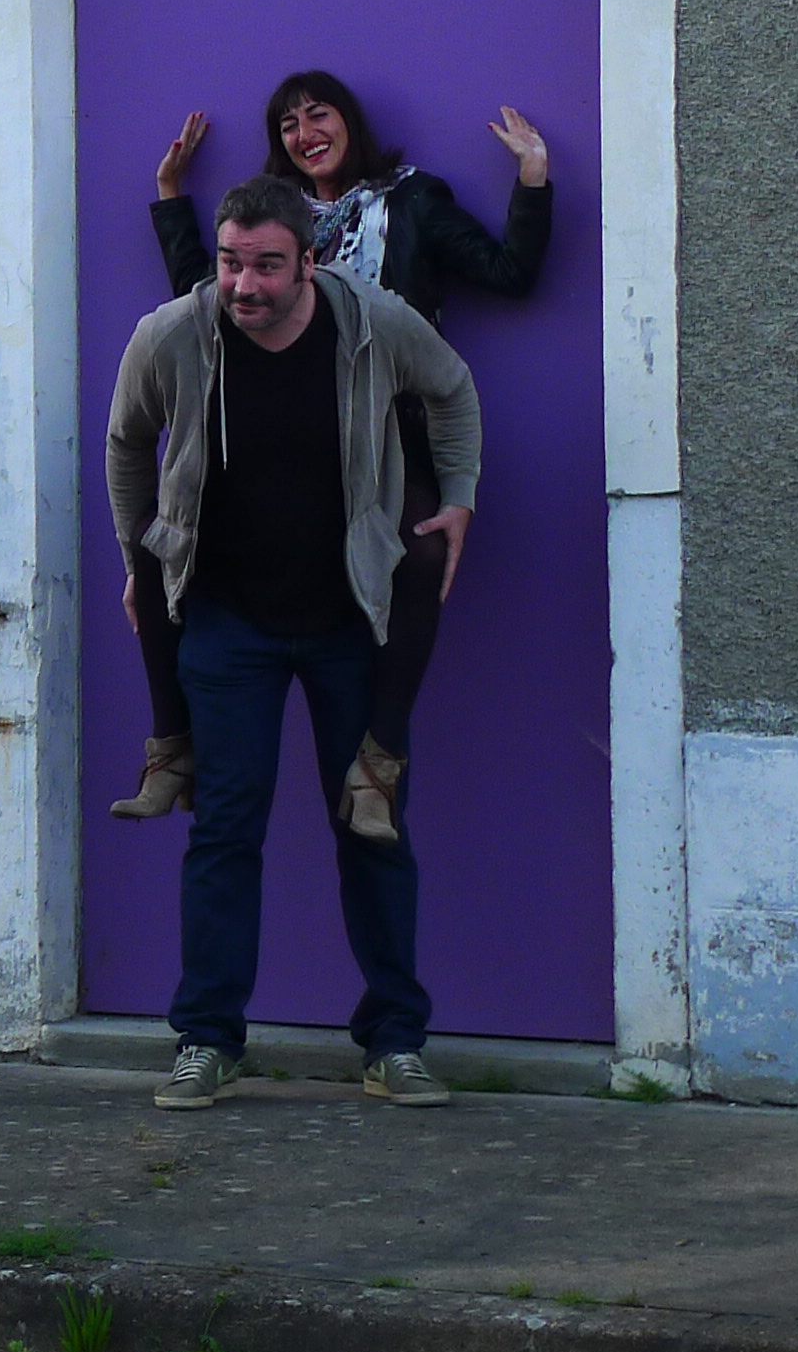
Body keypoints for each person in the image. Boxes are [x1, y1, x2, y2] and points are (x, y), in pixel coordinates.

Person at [104, 176, 482, 1110]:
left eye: (267, 265)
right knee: (224, 832)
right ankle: (206, 1040)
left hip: (350, 617)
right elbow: (126, 440)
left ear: (310, 261)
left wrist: (460, 498)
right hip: (228, 621)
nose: (245, 284)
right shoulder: (171, 335)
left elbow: (452, 389)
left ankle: (394, 1043)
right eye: (232, 262)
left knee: (372, 826)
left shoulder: (373, 322)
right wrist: (138, 553)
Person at [116, 71, 547, 839]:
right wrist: (171, 195)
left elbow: (507, 274)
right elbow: (209, 297)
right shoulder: (272, 223)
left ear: (348, 119)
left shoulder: (412, 200)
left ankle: (379, 760)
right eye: (288, 123)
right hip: (280, 436)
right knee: (161, 542)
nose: (305, 132)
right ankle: (171, 747)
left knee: (421, 555)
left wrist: (534, 177)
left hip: (387, 433)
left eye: (318, 114)